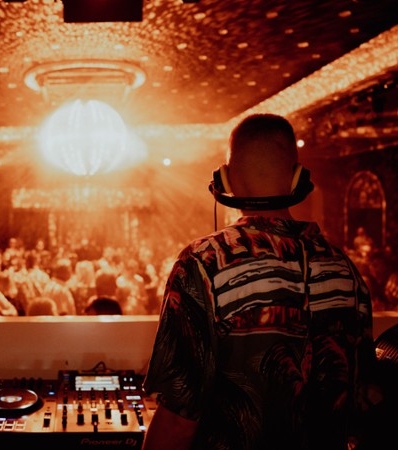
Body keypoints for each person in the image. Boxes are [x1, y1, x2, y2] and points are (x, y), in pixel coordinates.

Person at [142, 114, 377, 450]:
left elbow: (179, 419)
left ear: (226, 179)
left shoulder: (205, 263)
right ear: (296, 177)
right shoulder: (345, 269)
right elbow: (363, 399)